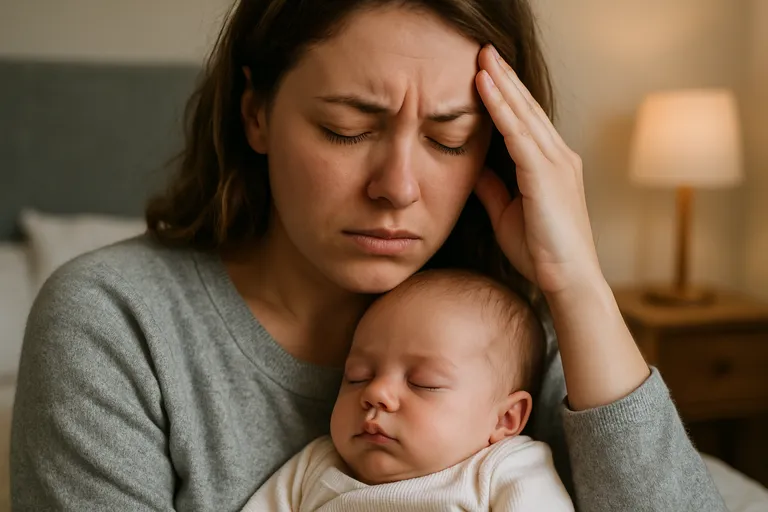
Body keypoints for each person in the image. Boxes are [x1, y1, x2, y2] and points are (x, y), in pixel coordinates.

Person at [11, 0, 726, 511]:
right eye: (347, 129)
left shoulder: (502, 333)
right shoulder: (113, 323)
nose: (398, 190)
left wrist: (578, 285)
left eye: (449, 139)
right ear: (255, 113)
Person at [242, 270, 574, 511]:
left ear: (505, 418)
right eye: (357, 376)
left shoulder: (501, 469)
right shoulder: (318, 465)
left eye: (423, 383)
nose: (377, 393)